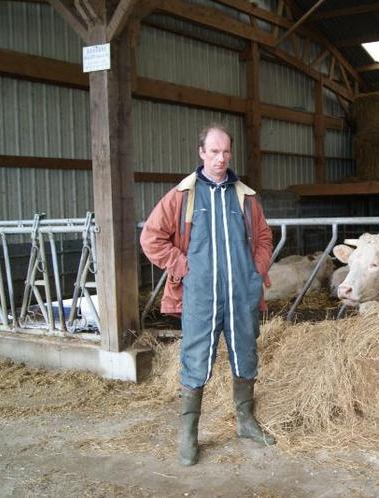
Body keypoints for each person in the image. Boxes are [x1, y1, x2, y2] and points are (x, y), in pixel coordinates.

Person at [140, 123, 275, 466]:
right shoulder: (182, 197)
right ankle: (189, 434)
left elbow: (263, 238)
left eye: (226, 152)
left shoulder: (245, 197)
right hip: (200, 295)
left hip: (240, 294)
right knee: (195, 359)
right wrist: (183, 267)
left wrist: (255, 272)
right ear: (201, 153)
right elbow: (151, 238)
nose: (221, 158)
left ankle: (245, 421)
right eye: (214, 152)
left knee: (245, 354)